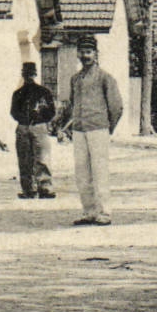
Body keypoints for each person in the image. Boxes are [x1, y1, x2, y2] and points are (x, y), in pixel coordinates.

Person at [53, 34, 123, 225]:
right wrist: (66, 127)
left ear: (96, 54)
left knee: (100, 171)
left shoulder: (105, 78)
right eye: (82, 52)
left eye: (89, 52)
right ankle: (89, 212)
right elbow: (72, 105)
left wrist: (108, 127)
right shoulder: (75, 79)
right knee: (82, 173)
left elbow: (116, 107)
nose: (85, 56)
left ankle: (104, 212)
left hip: (98, 129)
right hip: (79, 130)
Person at [10, 60, 57, 199]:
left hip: (39, 127)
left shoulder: (44, 92)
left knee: (42, 158)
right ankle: (28, 189)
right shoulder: (18, 93)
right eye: (26, 74)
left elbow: (51, 111)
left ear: (36, 74)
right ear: (23, 75)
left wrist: (39, 119)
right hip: (23, 127)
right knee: (24, 159)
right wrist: (24, 120)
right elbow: (13, 111)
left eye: (31, 74)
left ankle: (45, 188)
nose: (29, 77)